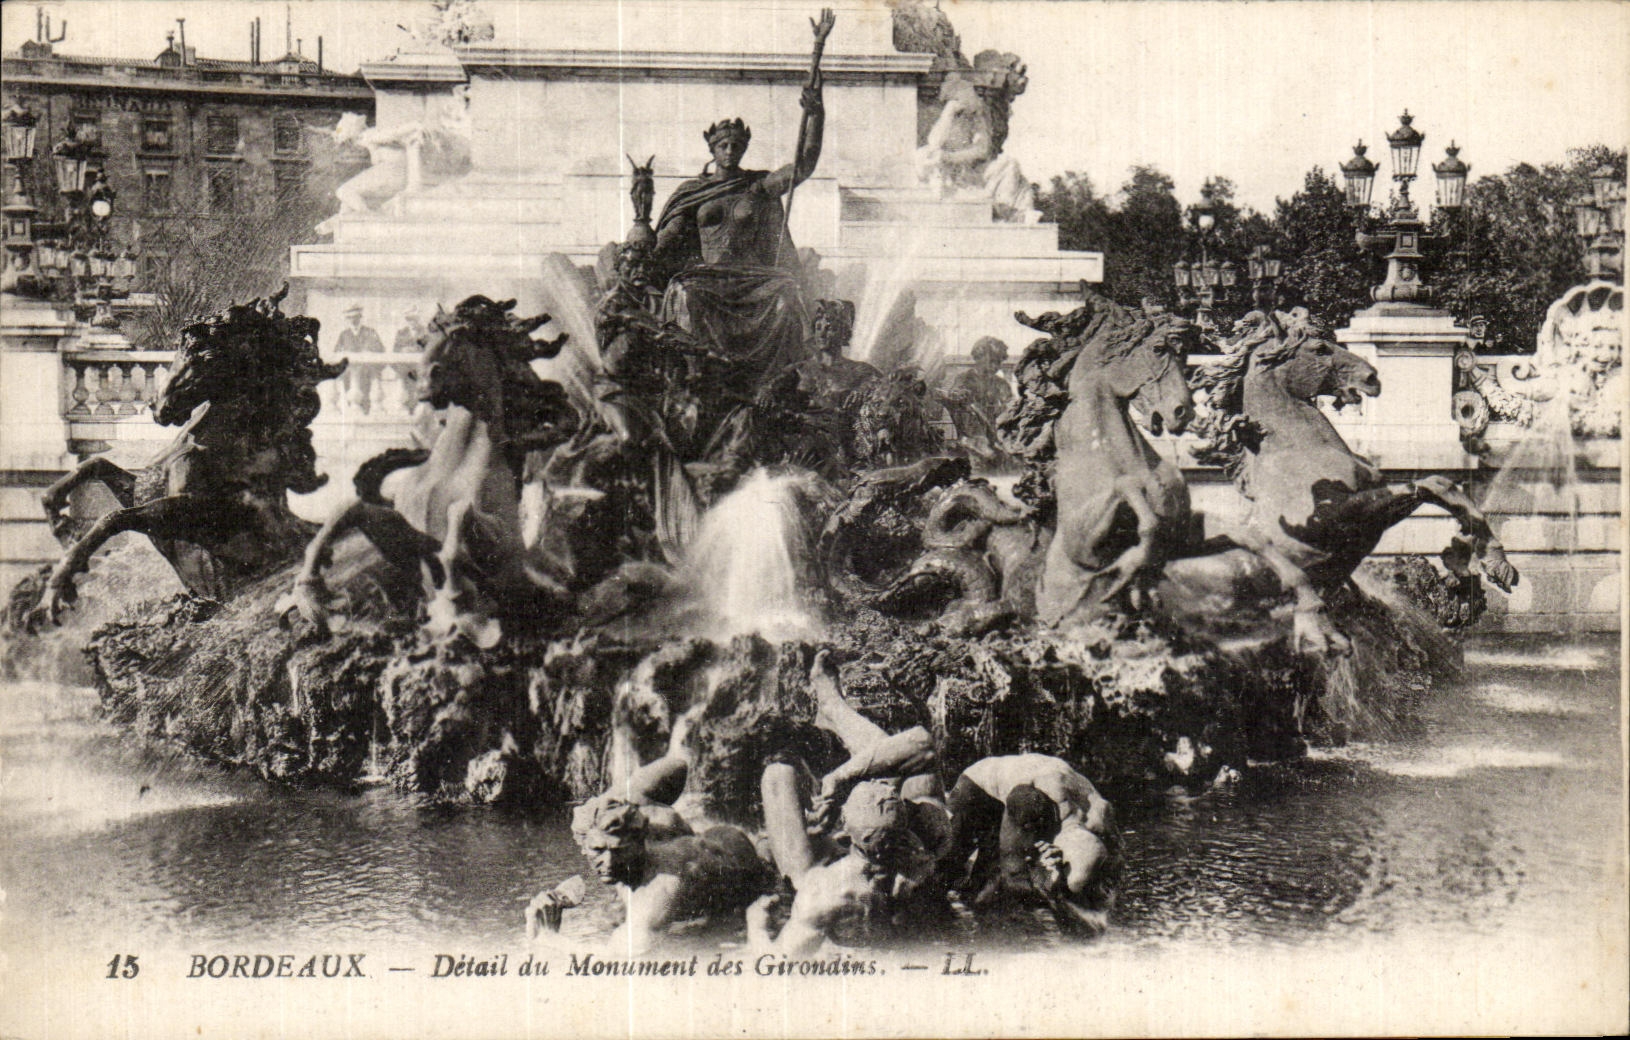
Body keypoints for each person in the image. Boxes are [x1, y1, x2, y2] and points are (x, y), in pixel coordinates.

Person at [649, 9, 835, 396]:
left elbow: (804, 164)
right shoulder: (692, 193)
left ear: (744, 148)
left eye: (736, 144)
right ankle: (695, 378)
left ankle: (779, 384)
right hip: (708, 277)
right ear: (712, 149)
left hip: (753, 280)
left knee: (786, 299)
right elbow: (667, 241)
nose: (730, 149)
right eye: (722, 145)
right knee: (685, 294)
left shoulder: (759, 186)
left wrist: (815, 111)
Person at [748, 650, 951, 953]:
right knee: (906, 771)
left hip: (827, 896)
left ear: (844, 823)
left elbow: (772, 967)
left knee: (777, 775)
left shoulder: (824, 892)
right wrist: (848, 778)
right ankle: (833, 706)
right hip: (902, 903)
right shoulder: (931, 832)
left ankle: (831, 706)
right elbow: (920, 743)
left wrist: (756, 928)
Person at [525, 703, 771, 953]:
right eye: (599, 850)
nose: (608, 862)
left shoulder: (656, 895)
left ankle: (767, 849)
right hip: (714, 844)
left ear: (639, 842)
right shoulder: (648, 818)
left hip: (748, 869)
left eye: (619, 851)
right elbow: (676, 769)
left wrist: (548, 937)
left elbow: (618, 962)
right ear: (583, 845)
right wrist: (612, 801)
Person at [942, 752, 1119, 933]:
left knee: (990, 889)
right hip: (979, 784)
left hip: (1029, 789)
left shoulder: (1102, 814)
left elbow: (1114, 869)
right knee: (946, 865)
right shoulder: (1037, 798)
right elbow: (1013, 868)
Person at [940, 335, 1013, 451]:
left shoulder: (1001, 383)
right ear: (979, 358)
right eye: (992, 361)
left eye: (999, 362)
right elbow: (954, 396)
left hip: (994, 437)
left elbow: (1010, 405)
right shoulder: (965, 378)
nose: (996, 367)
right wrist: (959, 395)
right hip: (971, 438)